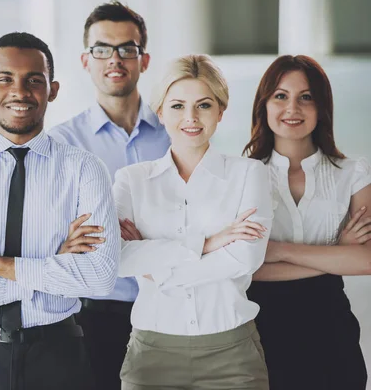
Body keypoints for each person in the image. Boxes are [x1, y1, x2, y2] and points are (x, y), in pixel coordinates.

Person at [0, 32, 120, 390]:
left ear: (53, 89)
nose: (20, 91)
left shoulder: (85, 170)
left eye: (34, 80)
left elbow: (100, 277)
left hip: (59, 357)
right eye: (5, 79)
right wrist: (51, 267)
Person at [115, 55, 272, 389]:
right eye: (177, 106)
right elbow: (117, 258)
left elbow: (246, 258)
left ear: (220, 111)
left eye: (203, 105)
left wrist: (154, 264)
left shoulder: (249, 174)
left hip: (232, 354)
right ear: (160, 112)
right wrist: (210, 244)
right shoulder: (131, 180)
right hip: (151, 356)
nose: (190, 118)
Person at [49, 1, 169, 388]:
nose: (114, 59)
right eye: (102, 49)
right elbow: (56, 230)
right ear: (86, 60)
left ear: (143, 59)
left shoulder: (176, 134)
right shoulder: (62, 143)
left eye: (126, 49)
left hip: (170, 305)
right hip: (94, 313)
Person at [245, 55, 370, 390]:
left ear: (322, 106)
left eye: (306, 97)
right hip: (261, 325)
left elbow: (368, 259)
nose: (292, 109)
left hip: (331, 327)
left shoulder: (354, 173)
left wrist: (277, 250)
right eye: (280, 96)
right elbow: (245, 269)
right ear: (264, 105)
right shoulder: (241, 175)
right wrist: (337, 255)